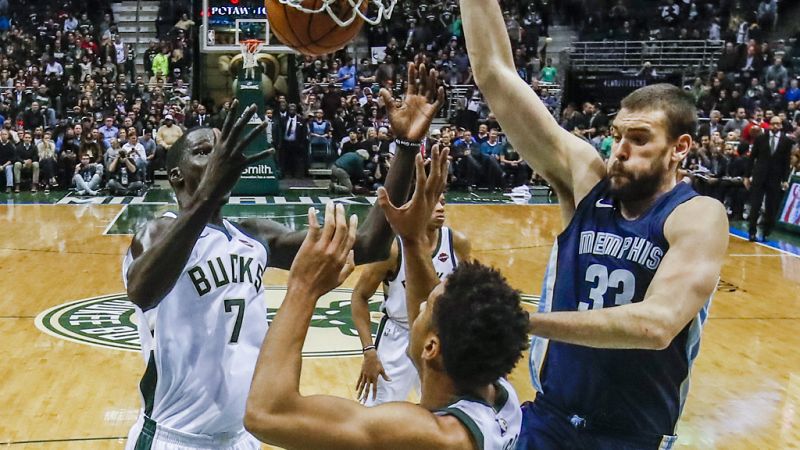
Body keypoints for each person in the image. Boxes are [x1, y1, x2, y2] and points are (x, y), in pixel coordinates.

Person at [123, 61, 445, 448]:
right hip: (175, 437)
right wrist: (208, 192)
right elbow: (142, 291)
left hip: (244, 435)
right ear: (176, 175)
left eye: (221, 150)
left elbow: (370, 244)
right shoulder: (158, 230)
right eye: (204, 151)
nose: (217, 158)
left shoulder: (253, 236)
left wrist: (406, 148)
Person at [460, 0, 729, 448]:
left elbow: (656, 325)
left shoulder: (697, 215)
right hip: (550, 418)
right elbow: (493, 73)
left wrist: (526, 322)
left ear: (680, 148)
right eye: (618, 134)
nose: (620, 149)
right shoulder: (589, 182)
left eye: (639, 139)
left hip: (631, 435)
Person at [244, 144, 528, 450]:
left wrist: (303, 288)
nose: (417, 306)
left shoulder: (438, 438)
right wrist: (412, 239)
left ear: (432, 347)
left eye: (424, 311)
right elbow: (428, 305)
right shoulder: (498, 392)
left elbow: (267, 413)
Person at [351, 194, 471, 405]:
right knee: (376, 416)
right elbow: (359, 296)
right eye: (433, 201)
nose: (440, 208)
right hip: (398, 336)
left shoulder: (457, 243)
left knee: (447, 410)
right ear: (412, 208)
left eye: (443, 202)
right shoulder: (392, 250)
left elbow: (469, 293)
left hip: (439, 335)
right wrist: (369, 351)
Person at [746, 116, 793, 241]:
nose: (775, 126)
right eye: (773, 124)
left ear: (781, 125)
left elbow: (786, 162)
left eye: (778, 124)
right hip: (759, 176)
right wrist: (746, 176)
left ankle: (766, 232)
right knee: (755, 205)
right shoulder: (760, 138)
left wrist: (785, 179)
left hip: (775, 178)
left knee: (771, 207)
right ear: (769, 125)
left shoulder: (786, 141)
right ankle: (752, 232)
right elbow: (752, 158)